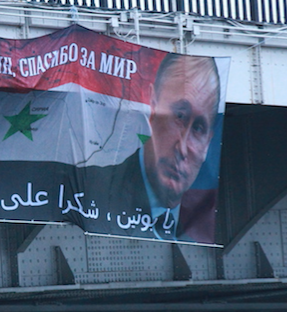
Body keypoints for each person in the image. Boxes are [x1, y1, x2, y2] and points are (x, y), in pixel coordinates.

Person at [87, 53, 221, 242]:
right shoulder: (95, 192)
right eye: (179, 116)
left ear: (208, 141)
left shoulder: (204, 221)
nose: (183, 149)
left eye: (199, 128)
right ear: (152, 106)